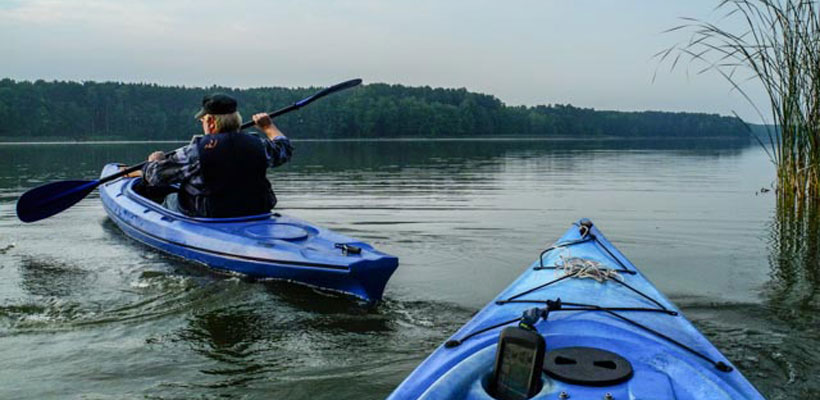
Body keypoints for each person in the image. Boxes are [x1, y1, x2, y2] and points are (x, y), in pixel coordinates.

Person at [129, 93, 293, 218]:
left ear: (211, 122)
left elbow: (155, 177)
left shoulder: (194, 152)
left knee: (171, 197)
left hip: (211, 214)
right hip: (255, 210)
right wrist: (269, 127)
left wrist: (155, 161)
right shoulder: (259, 145)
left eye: (203, 121)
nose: (203, 124)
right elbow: (284, 149)